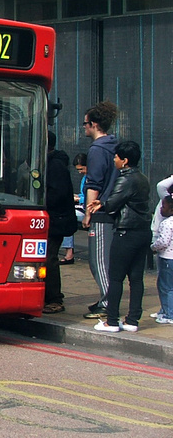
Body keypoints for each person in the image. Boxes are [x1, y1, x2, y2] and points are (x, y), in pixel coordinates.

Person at [88, 140, 151, 333]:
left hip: (126, 232)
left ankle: (112, 321)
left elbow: (114, 203)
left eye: (116, 157)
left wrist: (100, 205)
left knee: (115, 277)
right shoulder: (142, 178)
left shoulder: (125, 179)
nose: (114, 159)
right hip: (142, 232)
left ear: (124, 161)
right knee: (136, 278)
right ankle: (132, 320)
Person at [81, 100, 119, 319]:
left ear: (94, 124)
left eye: (85, 124)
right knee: (108, 260)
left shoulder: (97, 149)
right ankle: (107, 298)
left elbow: (93, 183)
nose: (84, 127)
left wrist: (88, 213)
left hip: (101, 213)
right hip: (114, 208)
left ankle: (107, 301)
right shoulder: (114, 145)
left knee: (99, 261)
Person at [43, 131, 78, 314]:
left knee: (49, 258)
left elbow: (57, 194)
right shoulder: (49, 163)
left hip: (56, 220)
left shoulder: (55, 165)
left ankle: (55, 298)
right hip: (52, 219)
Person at [150, 174, 173, 319]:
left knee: (166, 287)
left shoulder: (166, 223)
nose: (160, 208)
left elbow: (163, 241)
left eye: (162, 206)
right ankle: (165, 310)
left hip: (167, 258)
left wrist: (153, 247)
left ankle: (169, 314)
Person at [60, 152, 88, 265]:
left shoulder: (92, 177)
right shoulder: (85, 178)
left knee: (67, 217)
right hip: (83, 206)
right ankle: (69, 252)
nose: (80, 172)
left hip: (87, 208)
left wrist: (78, 199)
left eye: (81, 169)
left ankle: (69, 254)